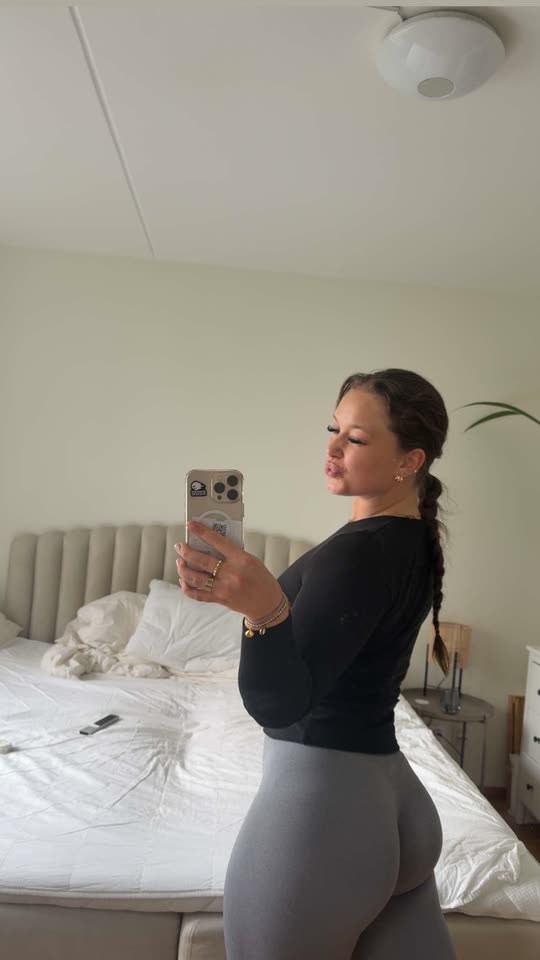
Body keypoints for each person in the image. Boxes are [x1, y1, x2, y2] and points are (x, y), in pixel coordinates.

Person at [175, 367, 457, 960]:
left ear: (410, 460)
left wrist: (264, 612)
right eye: (334, 430)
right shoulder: (410, 540)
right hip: (391, 800)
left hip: (321, 815)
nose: (332, 449)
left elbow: (279, 704)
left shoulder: (358, 553)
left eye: (355, 438)